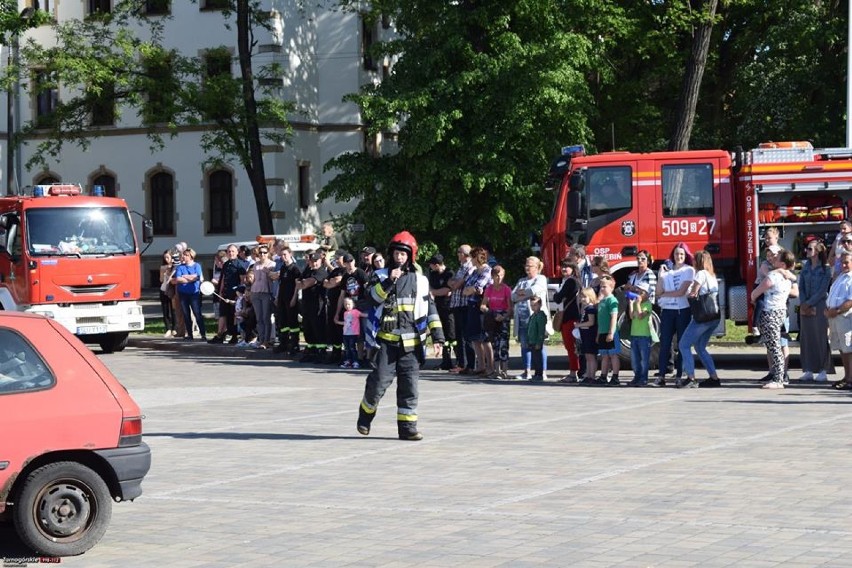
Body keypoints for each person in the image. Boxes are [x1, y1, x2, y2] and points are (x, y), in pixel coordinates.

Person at [355, 231, 444, 441]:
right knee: (378, 383)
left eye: (404, 254)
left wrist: (438, 337)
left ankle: (407, 428)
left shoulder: (421, 281)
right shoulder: (380, 276)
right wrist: (388, 283)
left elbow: (430, 308)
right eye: (397, 253)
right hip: (386, 342)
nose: (400, 257)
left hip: (412, 345)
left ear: (410, 256)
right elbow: (371, 299)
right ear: (391, 254)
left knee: (409, 388)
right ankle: (365, 417)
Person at [751, 248, 796, 389]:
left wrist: (753, 297)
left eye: (777, 259)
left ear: (782, 264)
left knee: (774, 347)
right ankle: (779, 376)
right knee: (774, 345)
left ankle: (778, 379)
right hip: (781, 311)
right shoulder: (787, 277)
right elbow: (794, 283)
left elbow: (756, 293)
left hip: (770, 312)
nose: (774, 260)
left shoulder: (773, 276)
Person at [677, 250, 721, 388]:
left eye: (694, 260)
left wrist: (684, 292)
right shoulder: (711, 275)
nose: (693, 262)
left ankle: (691, 378)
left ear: (698, 261)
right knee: (700, 347)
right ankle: (714, 378)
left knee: (684, 345)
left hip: (702, 317)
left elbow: (693, 293)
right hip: (714, 316)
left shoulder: (701, 274)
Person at [653, 243, 695, 387]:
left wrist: (665, 294)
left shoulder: (689, 270)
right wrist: (660, 276)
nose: (679, 257)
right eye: (677, 254)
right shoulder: (667, 272)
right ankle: (661, 376)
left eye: (682, 254)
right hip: (667, 312)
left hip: (682, 311)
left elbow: (681, 292)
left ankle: (679, 375)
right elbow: (658, 292)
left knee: (682, 344)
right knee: (664, 344)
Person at [798, 240, 833, 382]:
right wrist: (804, 302)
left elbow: (823, 290)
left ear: (817, 251)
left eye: (810, 249)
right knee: (806, 338)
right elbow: (801, 286)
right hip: (805, 304)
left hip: (819, 305)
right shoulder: (806, 267)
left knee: (820, 337)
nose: (807, 251)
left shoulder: (825, 269)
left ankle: (823, 369)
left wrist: (810, 303)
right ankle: (808, 369)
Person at [512, 256, 550, 380]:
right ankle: (526, 371)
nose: (527, 268)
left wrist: (522, 294)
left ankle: (542, 371)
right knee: (524, 346)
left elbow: (535, 290)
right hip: (522, 320)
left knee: (539, 345)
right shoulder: (521, 281)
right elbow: (513, 296)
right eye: (526, 265)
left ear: (537, 267)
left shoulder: (541, 278)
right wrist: (525, 294)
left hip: (536, 320)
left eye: (530, 266)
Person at [462, 246, 492, 375]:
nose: (470, 260)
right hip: (472, 306)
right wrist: (470, 290)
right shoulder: (474, 272)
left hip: (482, 307)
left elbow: (477, 287)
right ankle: (481, 366)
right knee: (475, 338)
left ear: (476, 258)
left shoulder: (487, 271)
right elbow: (465, 289)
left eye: (472, 257)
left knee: (485, 338)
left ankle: (490, 367)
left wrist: (470, 290)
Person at [294, 252, 329, 363]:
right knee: (308, 329)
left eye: (316, 261)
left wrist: (303, 283)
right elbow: (298, 283)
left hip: (317, 305)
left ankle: (321, 353)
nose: (314, 263)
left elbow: (308, 283)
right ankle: (312, 351)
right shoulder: (308, 270)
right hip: (306, 304)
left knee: (317, 329)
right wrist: (302, 283)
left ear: (320, 261)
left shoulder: (321, 272)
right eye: (312, 261)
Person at [826, 251, 852, 391]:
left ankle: (850, 378)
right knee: (842, 348)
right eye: (841, 262)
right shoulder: (841, 277)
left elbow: (850, 301)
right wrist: (828, 309)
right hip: (835, 316)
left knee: (848, 348)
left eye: (846, 262)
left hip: (845, 317)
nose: (843, 265)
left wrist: (836, 311)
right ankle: (847, 376)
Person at [482, 264, 512, 379]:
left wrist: (503, 316)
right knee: (495, 344)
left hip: (503, 317)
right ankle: (496, 370)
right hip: (492, 316)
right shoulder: (489, 289)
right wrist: (488, 311)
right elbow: (483, 305)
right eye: (496, 276)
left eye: (500, 276)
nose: (498, 278)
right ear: (492, 276)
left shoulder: (506, 289)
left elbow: (510, 308)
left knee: (504, 344)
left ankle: (504, 370)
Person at [448, 244, 475, 372]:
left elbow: (457, 285)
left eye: (459, 252)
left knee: (465, 335)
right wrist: (453, 283)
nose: (457, 254)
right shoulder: (461, 267)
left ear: (464, 254)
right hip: (457, 304)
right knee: (459, 334)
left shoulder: (470, 266)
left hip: (464, 304)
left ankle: (467, 364)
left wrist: (454, 283)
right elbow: (450, 281)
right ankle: (462, 363)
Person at [553, 260, 581, 382]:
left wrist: (556, 294)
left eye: (567, 267)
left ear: (573, 268)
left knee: (571, 346)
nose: (564, 269)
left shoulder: (570, 281)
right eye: (563, 266)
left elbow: (558, 299)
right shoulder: (576, 281)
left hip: (570, 317)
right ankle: (576, 371)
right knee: (574, 346)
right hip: (574, 316)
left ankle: (573, 373)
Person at [171, 247, 206, 342]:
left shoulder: (197, 266)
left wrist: (185, 277)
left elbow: (197, 277)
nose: (184, 257)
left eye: (186, 255)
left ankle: (203, 334)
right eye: (183, 255)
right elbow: (178, 279)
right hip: (183, 293)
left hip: (194, 293)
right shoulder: (180, 267)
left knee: (197, 313)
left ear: (191, 256)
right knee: (186, 314)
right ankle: (189, 334)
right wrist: (191, 277)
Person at [427, 254, 455, 370]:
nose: (430, 267)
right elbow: (431, 289)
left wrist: (434, 292)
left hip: (449, 308)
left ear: (437, 265)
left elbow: (448, 290)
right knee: (441, 334)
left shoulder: (449, 273)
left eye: (431, 265)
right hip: (437, 307)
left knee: (451, 335)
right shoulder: (433, 274)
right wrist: (436, 292)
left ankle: (459, 361)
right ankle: (446, 361)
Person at [274, 245, 303, 356]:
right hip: (282, 297)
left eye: (285, 254)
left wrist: (294, 298)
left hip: (291, 298)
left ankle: (295, 344)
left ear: (290, 254)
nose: (283, 257)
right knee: (283, 321)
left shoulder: (295, 269)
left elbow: (297, 285)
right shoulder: (283, 268)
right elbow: (280, 284)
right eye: (281, 255)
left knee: (293, 322)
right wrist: (277, 297)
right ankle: (284, 343)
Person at [247, 245, 276, 349]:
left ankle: (266, 341)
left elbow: (274, 278)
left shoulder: (272, 264)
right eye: (260, 253)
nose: (262, 254)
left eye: (264, 252)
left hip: (266, 292)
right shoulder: (255, 265)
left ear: (268, 253)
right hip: (255, 292)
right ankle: (261, 339)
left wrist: (269, 272)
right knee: (259, 318)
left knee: (266, 317)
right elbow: (253, 279)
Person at [596, 274, 621, 386]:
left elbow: (613, 317)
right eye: (601, 286)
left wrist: (611, 332)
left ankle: (615, 377)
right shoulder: (602, 301)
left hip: (610, 332)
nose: (602, 288)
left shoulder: (612, 300)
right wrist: (598, 333)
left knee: (613, 355)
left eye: (605, 286)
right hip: (602, 332)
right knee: (604, 355)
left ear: (611, 288)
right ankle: (603, 376)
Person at [626, 285, 652, 387]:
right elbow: (632, 316)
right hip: (634, 335)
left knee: (644, 360)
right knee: (635, 359)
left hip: (644, 336)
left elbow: (641, 316)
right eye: (638, 292)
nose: (639, 294)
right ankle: (636, 377)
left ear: (647, 294)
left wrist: (637, 304)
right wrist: (631, 304)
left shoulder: (647, 304)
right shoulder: (638, 304)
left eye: (641, 292)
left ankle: (643, 378)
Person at [576, 287, 599, 384]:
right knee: (587, 356)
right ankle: (588, 375)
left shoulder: (590, 308)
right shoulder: (586, 308)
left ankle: (592, 376)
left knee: (591, 356)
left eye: (585, 297)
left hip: (590, 335)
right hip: (585, 335)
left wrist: (579, 325)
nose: (582, 299)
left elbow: (591, 322)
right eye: (581, 297)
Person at [335, 297, 363, 369]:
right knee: (346, 349)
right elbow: (346, 323)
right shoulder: (345, 313)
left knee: (352, 348)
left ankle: (355, 362)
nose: (347, 306)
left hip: (353, 333)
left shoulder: (356, 312)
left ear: (353, 304)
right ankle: (348, 361)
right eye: (345, 304)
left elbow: (363, 315)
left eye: (349, 304)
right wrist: (338, 322)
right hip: (345, 334)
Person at [526, 295, 547, 382]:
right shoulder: (533, 316)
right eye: (531, 305)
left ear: (540, 305)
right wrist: (528, 339)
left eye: (535, 305)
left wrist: (539, 342)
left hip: (537, 341)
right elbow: (529, 329)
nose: (533, 307)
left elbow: (541, 331)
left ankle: (540, 374)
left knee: (538, 359)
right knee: (534, 359)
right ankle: (536, 374)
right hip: (531, 340)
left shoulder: (540, 316)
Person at [158, 249, 177, 338]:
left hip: (172, 290)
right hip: (164, 289)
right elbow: (161, 280)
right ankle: (168, 329)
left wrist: (171, 272)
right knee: (165, 310)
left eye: (168, 257)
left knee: (173, 310)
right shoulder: (163, 267)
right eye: (165, 257)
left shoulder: (175, 267)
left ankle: (174, 329)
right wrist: (164, 273)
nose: (166, 259)